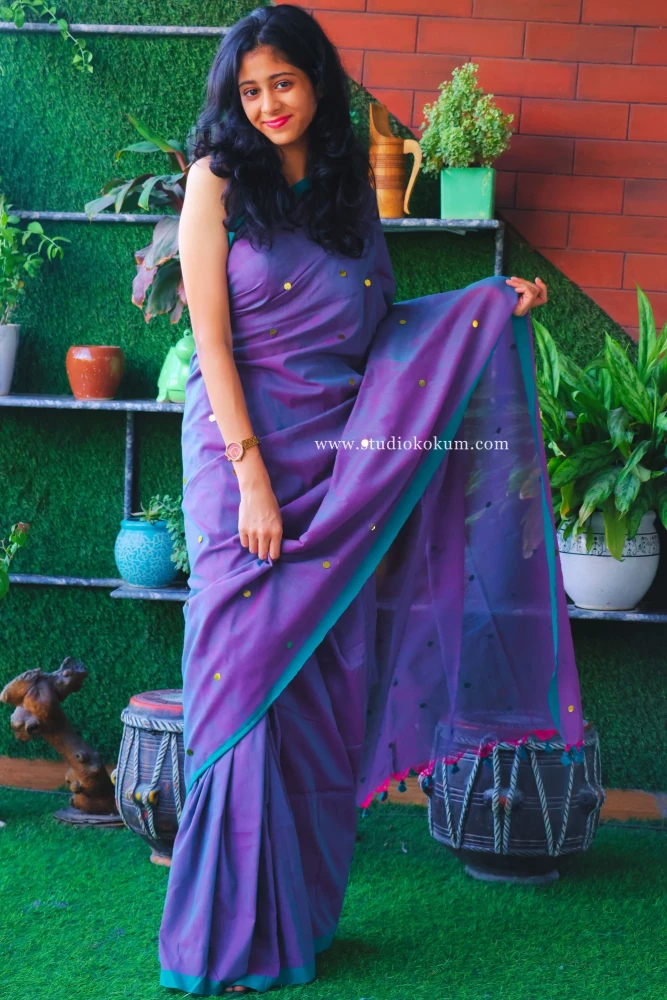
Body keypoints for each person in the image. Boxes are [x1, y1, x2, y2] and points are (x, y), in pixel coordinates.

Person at [158, 4, 583, 994]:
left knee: (312, 691)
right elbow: (211, 343)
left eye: (284, 82)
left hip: (336, 465)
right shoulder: (216, 182)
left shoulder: (349, 190)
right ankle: (220, 938)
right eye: (249, 89)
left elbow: (384, 331)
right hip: (239, 462)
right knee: (238, 683)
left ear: (318, 81)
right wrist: (251, 479)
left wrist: (484, 309)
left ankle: (294, 922)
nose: (268, 104)